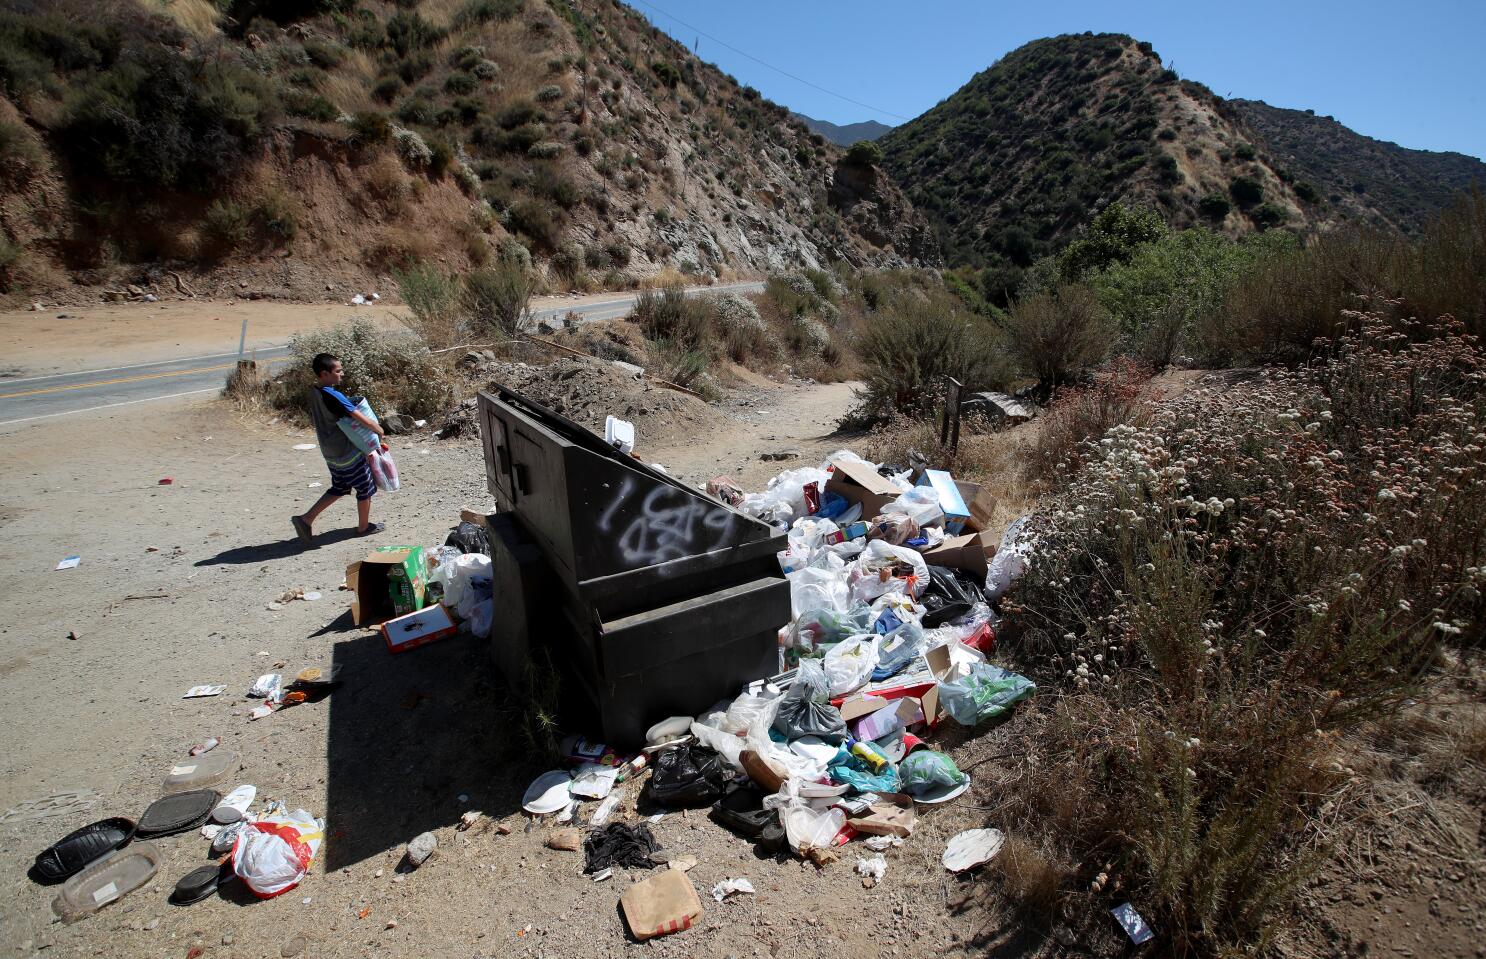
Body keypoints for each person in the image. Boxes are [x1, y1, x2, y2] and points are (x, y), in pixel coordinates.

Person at [291, 352, 387, 545]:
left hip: (330, 452)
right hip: (347, 452)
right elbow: (357, 415)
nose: (341, 374)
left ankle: (306, 519)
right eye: (338, 371)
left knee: (340, 487)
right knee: (365, 487)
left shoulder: (315, 391)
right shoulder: (333, 395)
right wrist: (378, 429)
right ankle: (363, 527)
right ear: (324, 373)